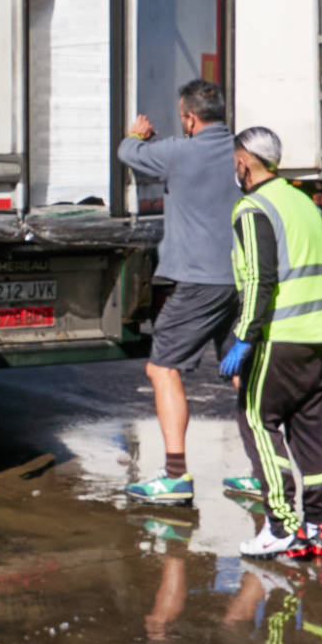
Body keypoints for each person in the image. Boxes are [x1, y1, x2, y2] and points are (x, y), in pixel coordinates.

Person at [219, 125, 322, 560]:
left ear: (243, 162)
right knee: (312, 429)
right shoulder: (303, 202)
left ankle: (282, 526)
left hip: (281, 336)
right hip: (321, 335)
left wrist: (243, 337)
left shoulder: (252, 207)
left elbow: (259, 278)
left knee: (258, 420)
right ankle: (320, 527)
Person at [116, 78, 240, 505]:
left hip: (198, 282)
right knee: (242, 370)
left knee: (162, 367)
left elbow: (128, 153)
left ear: (189, 118)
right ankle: (269, 471)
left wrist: (137, 133)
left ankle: (175, 476)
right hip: (240, 280)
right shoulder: (241, 153)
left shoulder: (178, 153)